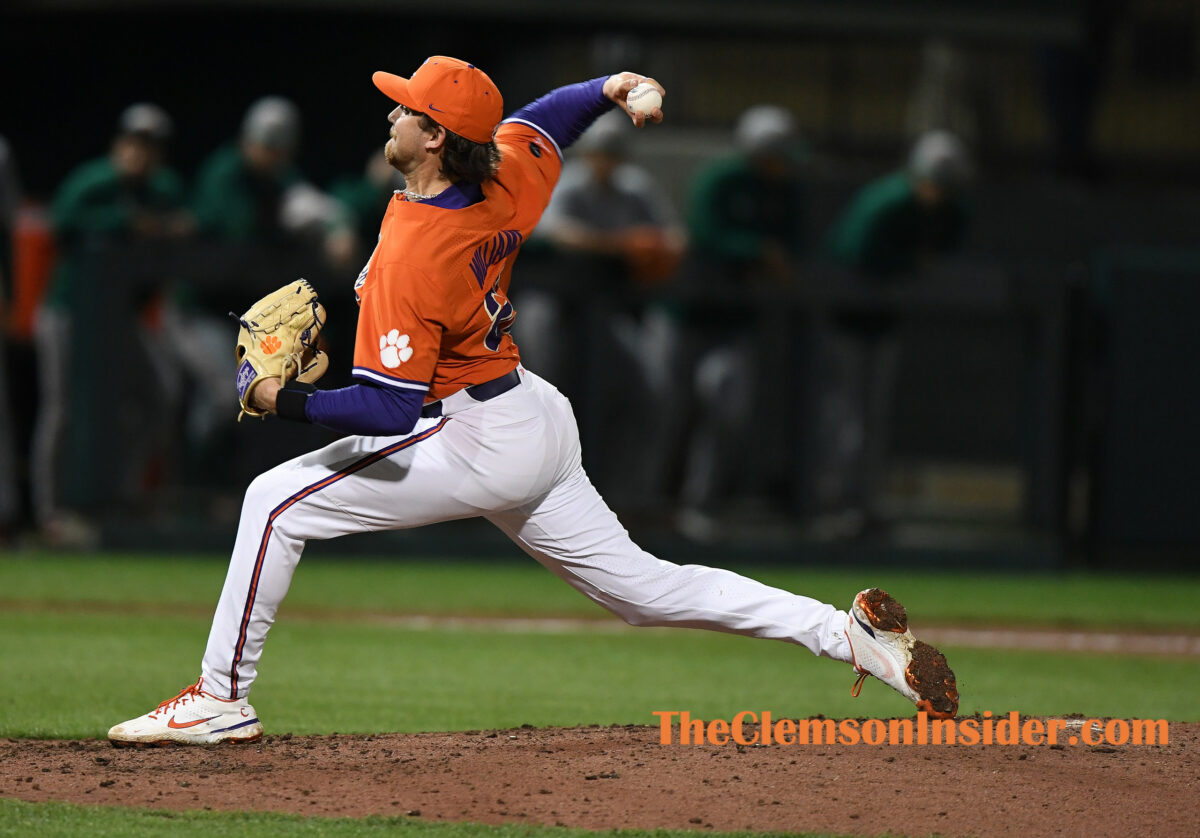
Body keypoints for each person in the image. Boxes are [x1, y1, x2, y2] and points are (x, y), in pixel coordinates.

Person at [106, 57, 957, 746]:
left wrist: (276, 395)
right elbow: (550, 116)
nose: (391, 116)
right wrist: (618, 87)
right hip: (530, 414)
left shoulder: (414, 252)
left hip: (469, 434)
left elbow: (387, 412)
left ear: (435, 137)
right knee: (643, 590)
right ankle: (846, 636)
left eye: (405, 110)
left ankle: (220, 697)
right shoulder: (505, 174)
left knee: (272, 502)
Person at [34, 104, 191, 548]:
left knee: (157, 396)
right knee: (62, 409)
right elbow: (60, 223)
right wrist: (125, 222)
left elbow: (187, 221)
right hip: (68, 312)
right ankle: (50, 513)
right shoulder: (94, 182)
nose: (140, 153)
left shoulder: (162, 189)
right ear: (119, 144)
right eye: (135, 143)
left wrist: (164, 227)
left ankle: (122, 496)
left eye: (150, 146)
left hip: (123, 318)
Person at [516, 111, 685, 505]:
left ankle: (626, 497)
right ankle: (526, 495)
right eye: (599, 153)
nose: (605, 160)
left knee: (641, 393)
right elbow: (559, 234)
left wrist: (654, 248)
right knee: (542, 394)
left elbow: (674, 237)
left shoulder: (634, 187)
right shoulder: (568, 181)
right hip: (551, 303)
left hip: (609, 309)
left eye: (613, 153)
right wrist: (623, 244)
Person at [815, 130, 972, 536]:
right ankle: (833, 506)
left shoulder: (948, 211)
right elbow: (849, 255)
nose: (937, 194)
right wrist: (904, 262)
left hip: (883, 324)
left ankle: (864, 505)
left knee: (873, 419)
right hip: (846, 322)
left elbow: (951, 241)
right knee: (847, 419)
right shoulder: (888, 201)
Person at [674, 105, 807, 540]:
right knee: (663, 410)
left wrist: (773, 258)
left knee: (727, 408)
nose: (783, 164)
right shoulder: (722, 179)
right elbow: (706, 236)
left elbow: (793, 247)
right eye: (777, 155)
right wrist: (755, 252)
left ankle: (698, 504)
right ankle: (639, 506)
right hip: (684, 314)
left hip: (735, 321)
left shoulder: (784, 191)